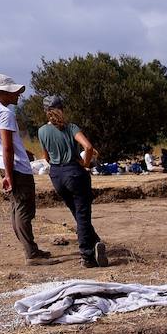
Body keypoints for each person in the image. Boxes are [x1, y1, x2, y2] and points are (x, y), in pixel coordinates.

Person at [0, 74, 51, 264]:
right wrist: (11, 175)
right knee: (23, 209)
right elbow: (7, 146)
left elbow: (2, 142)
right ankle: (31, 253)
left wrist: (22, 151)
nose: (17, 95)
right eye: (13, 92)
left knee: (15, 208)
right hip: (16, 167)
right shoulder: (5, 113)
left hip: (4, 163)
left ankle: (31, 249)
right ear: (3, 92)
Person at [37, 95, 108, 269]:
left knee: (77, 213)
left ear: (46, 112)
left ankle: (95, 241)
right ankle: (87, 255)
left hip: (56, 175)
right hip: (74, 172)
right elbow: (89, 147)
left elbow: (46, 157)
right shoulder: (71, 128)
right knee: (83, 214)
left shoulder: (41, 131)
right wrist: (85, 164)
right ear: (62, 108)